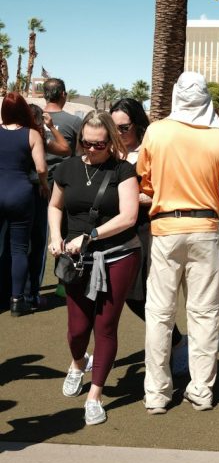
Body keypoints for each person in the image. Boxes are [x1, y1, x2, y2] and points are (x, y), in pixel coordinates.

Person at [137, 72, 219, 414]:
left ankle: (156, 393)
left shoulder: (157, 131)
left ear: (176, 97)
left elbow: (145, 180)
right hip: (205, 229)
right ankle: (201, 390)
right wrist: (208, 204)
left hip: (165, 228)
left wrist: (164, 194)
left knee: (159, 314)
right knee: (204, 314)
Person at [48, 112, 141, 426]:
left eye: (98, 145)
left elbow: (129, 216)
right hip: (76, 260)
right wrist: (56, 237)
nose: (90, 149)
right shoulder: (67, 168)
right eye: (85, 143)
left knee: (105, 327)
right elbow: (54, 206)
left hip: (118, 255)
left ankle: (95, 396)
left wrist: (93, 235)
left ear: (110, 142)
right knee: (76, 330)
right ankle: (78, 364)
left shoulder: (123, 170)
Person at [110, 97, 187, 372]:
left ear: (137, 124)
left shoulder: (150, 149)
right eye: (114, 126)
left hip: (146, 227)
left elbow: (167, 190)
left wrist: (135, 198)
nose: (119, 133)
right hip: (114, 228)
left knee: (141, 294)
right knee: (116, 294)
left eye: (124, 127)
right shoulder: (109, 150)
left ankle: (176, 343)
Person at [0, 93, 48, 315]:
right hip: (20, 193)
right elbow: (40, 168)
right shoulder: (32, 134)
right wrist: (44, 186)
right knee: (19, 249)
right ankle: (17, 300)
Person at [24, 103, 70, 309]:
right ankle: (31, 293)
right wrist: (51, 127)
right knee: (37, 244)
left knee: (14, 245)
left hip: (11, 193)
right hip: (37, 192)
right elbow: (65, 150)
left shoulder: (12, 134)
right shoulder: (38, 137)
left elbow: (64, 149)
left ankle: (14, 290)